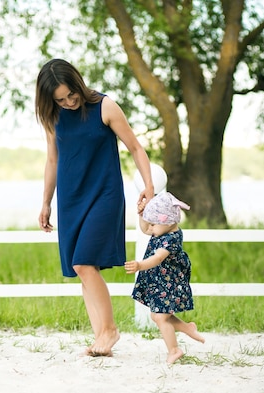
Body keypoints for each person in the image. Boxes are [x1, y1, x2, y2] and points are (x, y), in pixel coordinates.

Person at [35, 58, 155, 357]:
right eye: (60, 99)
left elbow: (136, 148)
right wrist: (46, 202)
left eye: (71, 95)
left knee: (84, 262)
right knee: (81, 268)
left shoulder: (105, 106)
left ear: (78, 83)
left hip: (104, 194)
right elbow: (53, 160)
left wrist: (149, 187)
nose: (68, 102)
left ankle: (110, 330)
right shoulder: (54, 116)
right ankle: (101, 337)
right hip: (71, 199)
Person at [125, 191, 205, 365]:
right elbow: (145, 229)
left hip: (170, 282)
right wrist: (141, 215)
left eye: (153, 223)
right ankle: (187, 328)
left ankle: (174, 350)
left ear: (167, 221)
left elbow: (158, 258)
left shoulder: (172, 238)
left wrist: (140, 265)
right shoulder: (161, 230)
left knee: (161, 317)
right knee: (157, 316)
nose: (150, 228)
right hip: (160, 281)